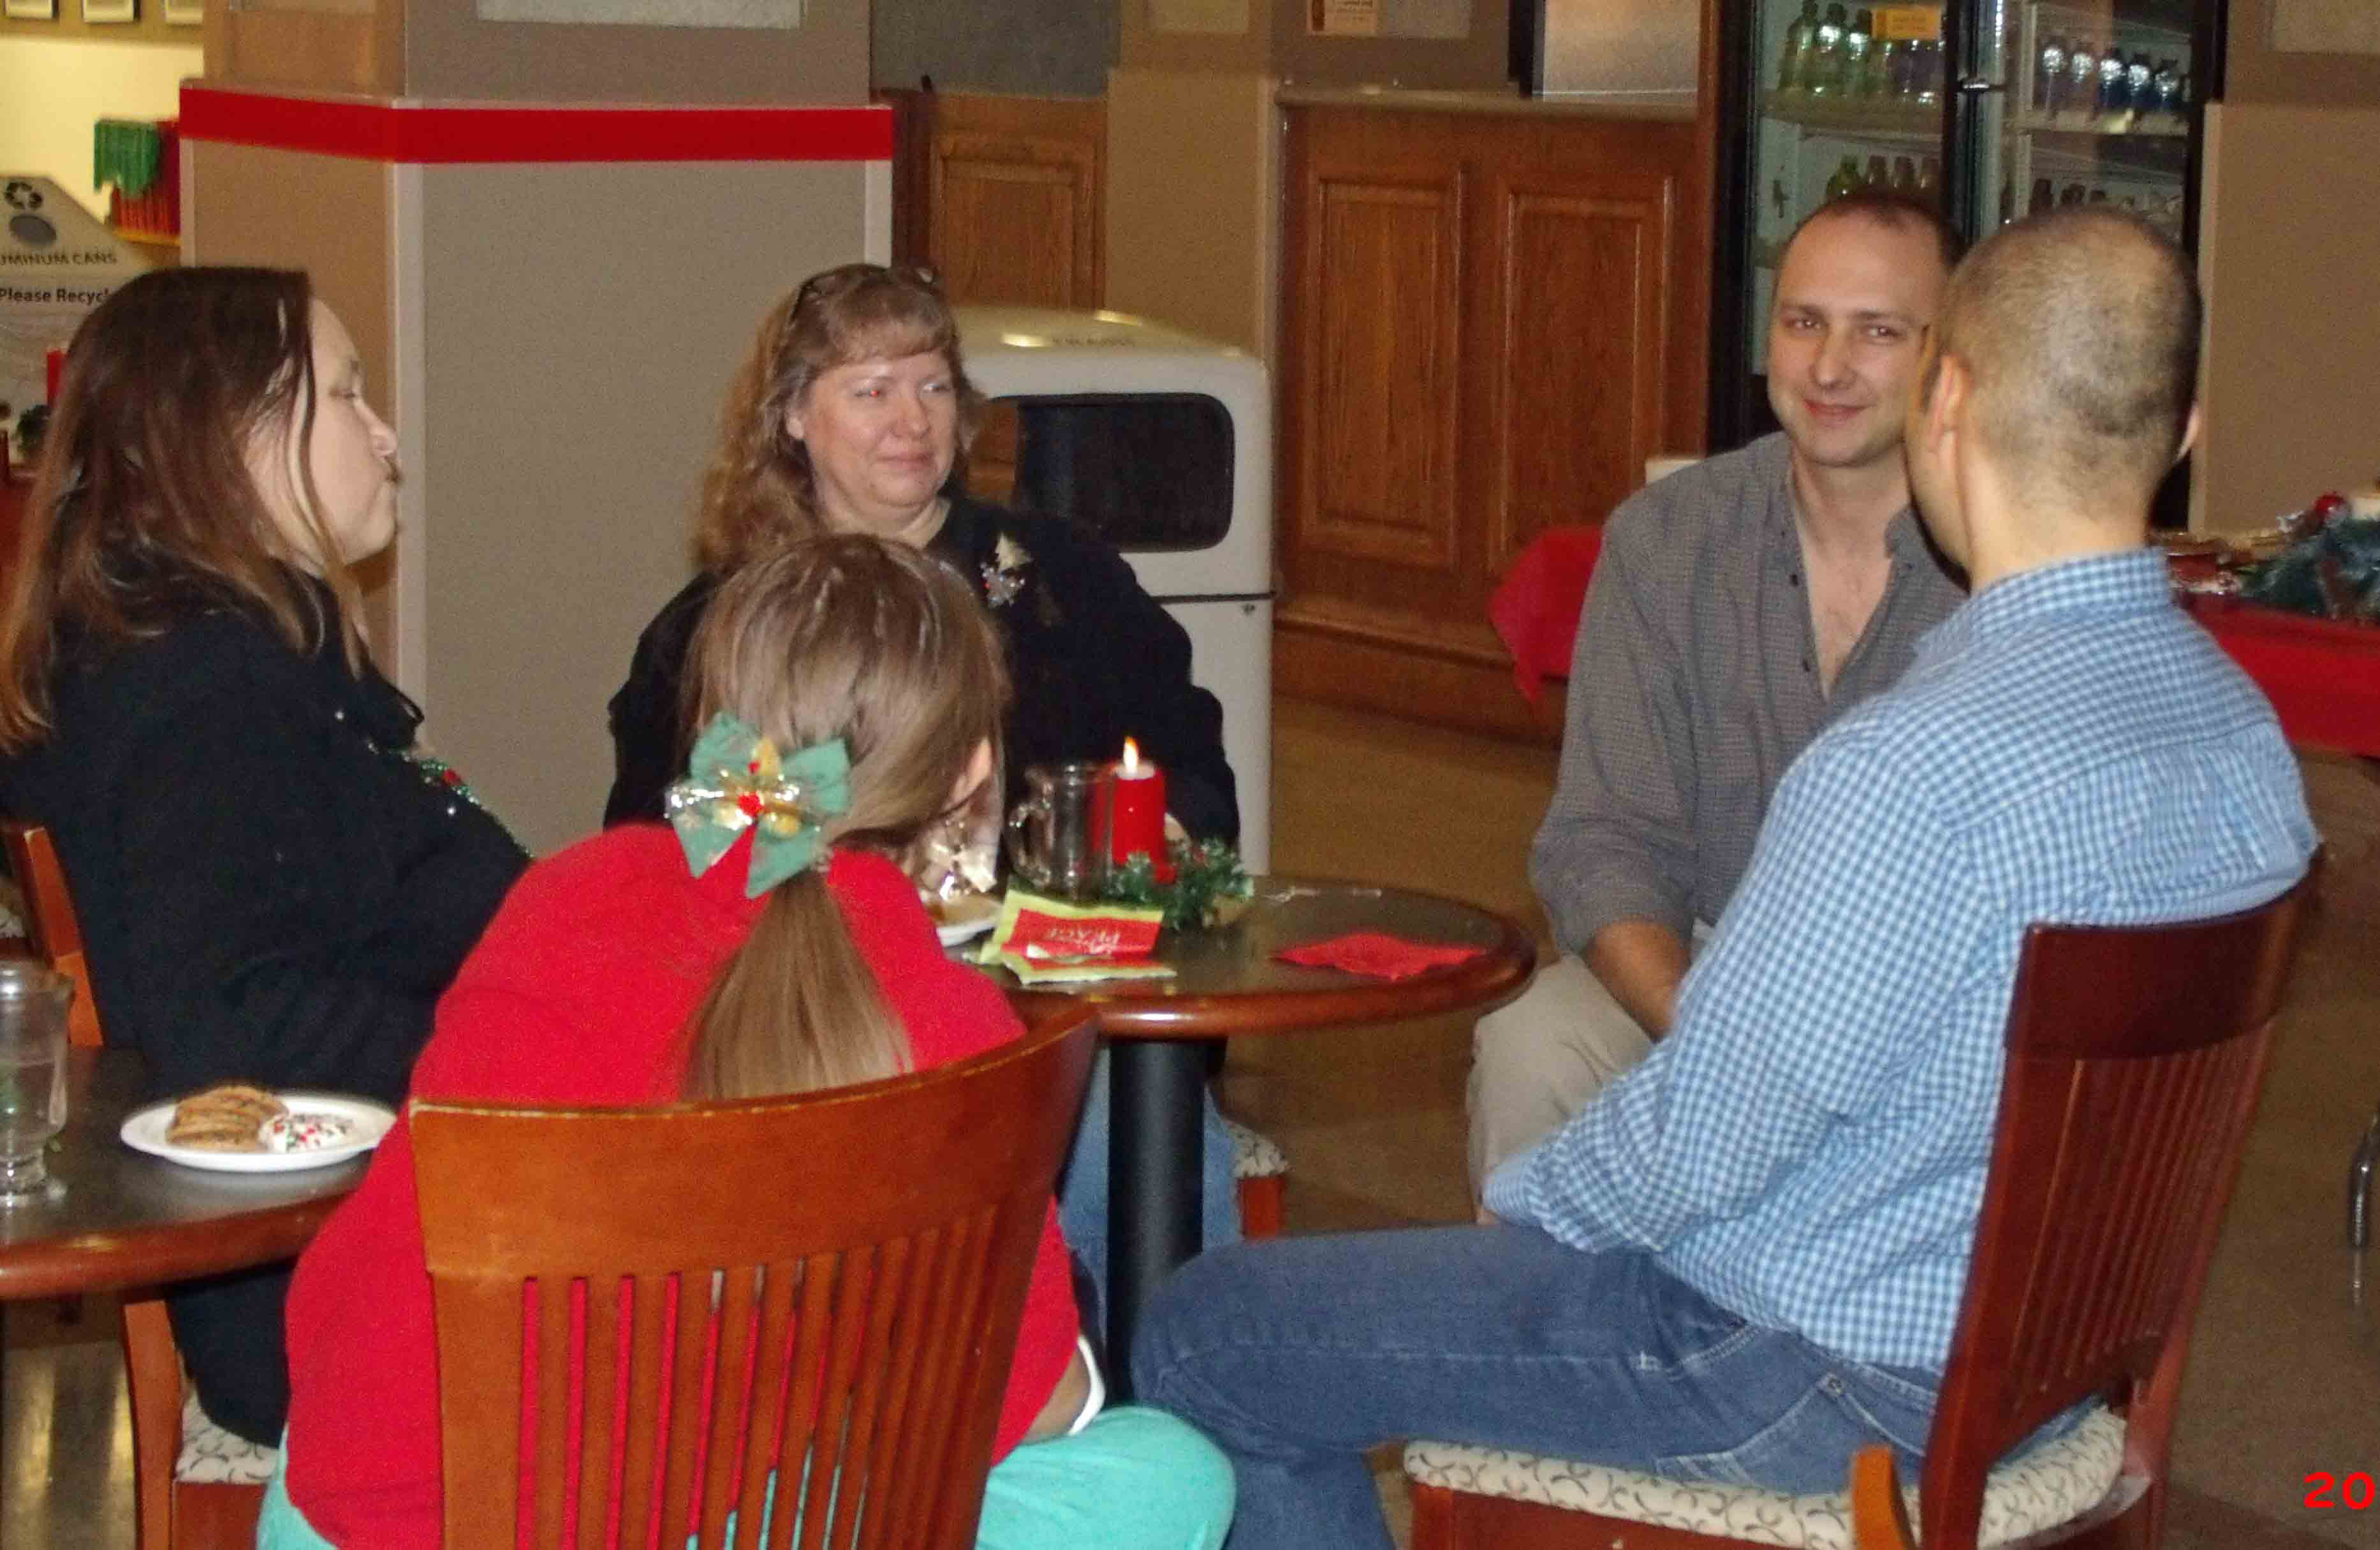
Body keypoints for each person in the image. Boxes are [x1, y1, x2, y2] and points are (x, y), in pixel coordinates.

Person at [1131, 209, 2317, 1549]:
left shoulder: (1910, 768)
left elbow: (1709, 1135)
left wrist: (1529, 1207)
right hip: (2050, 1365)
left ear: (1946, 402)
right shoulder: (2242, 738)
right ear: (2184, 432)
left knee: (1214, 1328)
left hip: (1815, 1369)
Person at [270, 535, 1235, 1549]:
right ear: (972, 772)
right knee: (1172, 1473)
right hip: (646, 1517)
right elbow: (1033, 1401)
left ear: (715, 728)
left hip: (350, 1511)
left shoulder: (556, 899)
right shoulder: (953, 1024)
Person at [603, 263, 1242, 1311]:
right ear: (793, 417)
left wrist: (1158, 840)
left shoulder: (1060, 581)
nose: (912, 420)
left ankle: (1161, 1381)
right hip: (824, 1006)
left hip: (1063, 999)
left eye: (934, 385)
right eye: (872, 390)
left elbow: (1189, 764)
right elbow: (676, 855)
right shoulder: (729, 624)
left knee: (1144, 1126)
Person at [0, 269, 527, 1447]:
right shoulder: (207, 695)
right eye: (346, 395)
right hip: (349, 1294)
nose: (386, 436)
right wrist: (530, 1050)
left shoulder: (218, 657)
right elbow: (235, 1021)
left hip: (397, 1238)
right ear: (229, 438)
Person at [1469, 190, 1969, 1196]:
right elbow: (1604, 839)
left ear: (1947, 358)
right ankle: (1538, 1303)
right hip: (1700, 967)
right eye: (1803, 323)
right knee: (1532, 1043)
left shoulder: (1995, 562)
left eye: (1877, 332)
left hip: (1926, 1008)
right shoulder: (1666, 540)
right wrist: (1710, 1031)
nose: (1828, 367)